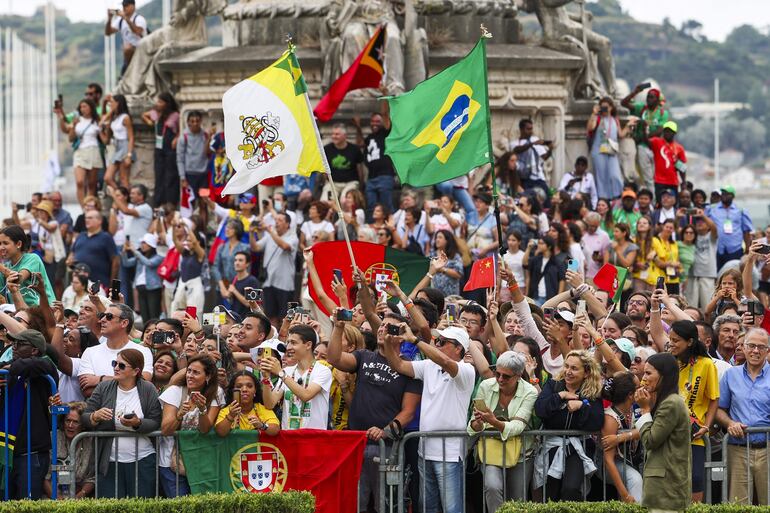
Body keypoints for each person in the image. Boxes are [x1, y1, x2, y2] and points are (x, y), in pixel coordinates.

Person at [327, 311, 420, 512]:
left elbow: (408, 412)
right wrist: (338, 327)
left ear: (401, 336)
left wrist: (385, 430)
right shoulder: (363, 356)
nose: (383, 329)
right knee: (355, 504)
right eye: (382, 325)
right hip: (356, 443)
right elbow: (334, 358)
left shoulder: (411, 369)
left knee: (384, 506)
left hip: (385, 447)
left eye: (390, 327)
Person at [383, 326, 475, 513]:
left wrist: (415, 340)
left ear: (459, 348)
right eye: (437, 341)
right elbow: (399, 366)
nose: (438, 344)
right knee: (427, 507)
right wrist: (387, 344)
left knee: (452, 509)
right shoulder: (429, 366)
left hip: (449, 454)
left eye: (443, 342)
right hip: (424, 451)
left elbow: (445, 361)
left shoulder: (467, 370)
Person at [81, 348, 161, 498]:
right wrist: (95, 416)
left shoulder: (148, 389)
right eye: (114, 363)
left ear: (136, 371)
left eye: (122, 365)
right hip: (109, 460)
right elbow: (84, 417)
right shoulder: (104, 387)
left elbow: (156, 421)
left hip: (142, 459)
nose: (116, 368)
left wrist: (137, 423)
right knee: (111, 506)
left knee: (142, 506)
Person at [468, 351, 537, 507]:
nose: (500, 379)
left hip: (521, 453)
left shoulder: (530, 392)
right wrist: (478, 424)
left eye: (506, 376)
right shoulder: (486, 385)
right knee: (492, 487)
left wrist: (493, 421)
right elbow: (474, 424)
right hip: (491, 449)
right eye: (497, 373)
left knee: (517, 499)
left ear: (519, 375)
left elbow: (518, 426)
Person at [533, 350, 603, 500]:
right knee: (550, 493)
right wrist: (560, 396)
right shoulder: (553, 385)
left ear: (586, 373)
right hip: (551, 444)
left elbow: (598, 420)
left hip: (577, 447)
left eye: (574, 368)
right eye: (566, 366)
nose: (568, 372)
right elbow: (540, 409)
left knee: (570, 489)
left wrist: (582, 406)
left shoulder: (592, 391)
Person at [662, 319, 719, 502]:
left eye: (676, 340)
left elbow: (713, 399)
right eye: (670, 339)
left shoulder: (706, 364)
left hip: (695, 433)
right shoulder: (669, 363)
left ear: (690, 342)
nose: (671, 344)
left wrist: (706, 427)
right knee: (670, 480)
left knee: (695, 479)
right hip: (669, 432)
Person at [716, 328, 770, 505]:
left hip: (768, 448)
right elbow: (719, 410)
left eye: (761, 347)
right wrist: (730, 423)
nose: (756, 351)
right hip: (738, 448)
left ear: (768, 351)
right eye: (751, 346)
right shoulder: (730, 375)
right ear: (744, 348)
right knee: (738, 504)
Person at [2, 329, 58, 499]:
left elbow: (43, 365)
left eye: (19, 344)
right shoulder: (7, 370)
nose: (14, 347)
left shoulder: (44, 370)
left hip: (30, 453)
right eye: (13, 343)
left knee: (27, 504)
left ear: (34, 350)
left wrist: (12, 368)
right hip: (6, 449)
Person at [635, 352, 691, 512]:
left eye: (648, 373)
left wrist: (645, 410)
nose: (643, 378)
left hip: (667, 488)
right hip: (663, 488)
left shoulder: (671, 403)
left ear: (664, 375)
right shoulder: (666, 401)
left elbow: (650, 440)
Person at [158, 355, 221, 496]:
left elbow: (205, 429)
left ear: (208, 376)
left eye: (196, 372)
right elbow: (166, 429)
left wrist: (202, 409)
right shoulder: (174, 391)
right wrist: (180, 414)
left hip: (201, 462)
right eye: (189, 371)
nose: (190, 376)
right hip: (171, 462)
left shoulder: (217, 393)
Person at [261, 325, 332, 430]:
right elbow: (270, 404)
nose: (288, 347)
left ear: (308, 345)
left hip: (314, 439)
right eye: (288, 342)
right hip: (289, 438)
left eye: (293, 343)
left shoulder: (323, 371)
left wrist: (280, 373)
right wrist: (266, 379)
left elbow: (306, 395)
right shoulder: (288, 371)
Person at [78, 303, 154, 398]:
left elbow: (143, 383)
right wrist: (127, 382)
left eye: (109, 317)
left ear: (124, 323)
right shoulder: (90, 352)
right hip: (99, 411)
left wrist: (100, 379)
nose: (102, 320)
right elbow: (87, 391)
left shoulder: (143, 351)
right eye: (102, 316)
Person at [599, 371, 643, 503]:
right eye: (637, 388)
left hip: (628, 460)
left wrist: (622, 437)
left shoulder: (634, 409)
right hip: (608, 464)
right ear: (630, 395)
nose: (641, 389)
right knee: (635, 479)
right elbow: (608, 461)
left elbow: (648, 428)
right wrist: (625, 495)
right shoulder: (611, 418)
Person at [250, 212, 299, 325]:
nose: (277, 222)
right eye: (276, 220)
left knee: (285, 318)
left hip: (285, 284)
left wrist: (269, 231)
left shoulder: (292, 237)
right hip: (269, 282)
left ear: (288, 224)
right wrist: (251, 234)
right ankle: (273, 341)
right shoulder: (269, 236)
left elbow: (285, 246)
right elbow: (255, 247)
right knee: (270, 317)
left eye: (280, 220)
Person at [621, 85, 670, 191]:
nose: (649, 99)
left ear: (657, 100)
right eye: (648, 96)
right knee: (648, 178)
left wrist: (644, 135)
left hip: (656, 147)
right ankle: (652, 200)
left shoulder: (663, 113)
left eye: (652, 97)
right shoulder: (641, 108)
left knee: (657, 176)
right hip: (643, 147)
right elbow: (623, 103)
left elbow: (660, 130)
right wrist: (635, 92)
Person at [43, 401, 95, 499]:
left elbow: (93, 477)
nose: (70, 425)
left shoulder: (90, 440)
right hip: (53, 495)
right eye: (68, 420)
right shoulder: (53, 437)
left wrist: (80, 496)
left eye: (75, 422)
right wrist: (56, 497)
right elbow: (43, 476)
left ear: (83, 425)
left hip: (80, 496)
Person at [353, 109, 395, 218]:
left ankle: (389, 228)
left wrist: (385, 96)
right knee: (371, 207)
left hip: (385, 176)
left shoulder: (386, 134)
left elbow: (386, 115)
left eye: (377, 121)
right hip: (371, 178)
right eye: (372, 121)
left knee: (386, 206)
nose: (374, 124)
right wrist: (358, 126)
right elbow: (360, 143)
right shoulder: (370, 138)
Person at [0, 225, 56, 306]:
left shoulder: (33, 258)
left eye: (5, 243)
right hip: (19, 314)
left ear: (19, 244)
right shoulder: (5, 266)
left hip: (44, 312)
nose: (1, 247)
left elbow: (17, 279)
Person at [141, 92, 180, 206]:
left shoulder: (175, 115)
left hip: (169, 146)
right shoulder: (156, 114)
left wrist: (176, 138)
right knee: (159, 174)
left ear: (167, 103)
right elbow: (144, 115)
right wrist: (149, 122)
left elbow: (180, 129)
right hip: (159, 147)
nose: (158, 104)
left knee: (170, 174)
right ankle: (159, 200)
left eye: (160, 102)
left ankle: (170, 200)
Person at [215, 370, 280, 436]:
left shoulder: (262, 408)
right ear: (233, 391)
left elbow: (275, 430)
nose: (244, 389)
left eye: (249, 386)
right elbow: (220, 432)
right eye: (239, 386)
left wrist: (261, 425)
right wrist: (231, 416)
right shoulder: (227, 410)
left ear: (255, 390)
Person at [68, 210, 118, 294]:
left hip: (99, 284)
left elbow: (115, 261)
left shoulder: (106, 238)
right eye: (86, 218)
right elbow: (72, 254)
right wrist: (69, 261)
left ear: (99, 221)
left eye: (90, 218)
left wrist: (112, 283)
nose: (87, 220)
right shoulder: (80, 236)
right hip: (79, 284)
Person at [706, 186, 754, 271]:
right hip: (717, 249)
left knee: (734, 275)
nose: (724, 196)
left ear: (733, 196)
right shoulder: (712, 209)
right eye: (723, 193)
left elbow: (746, 231)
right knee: (718, 276)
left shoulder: (740, 210)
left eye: (727, 194)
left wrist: (747, 249)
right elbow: (705, 226)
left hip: (735, 249)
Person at [587, 97, 624, 200]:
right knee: (601, 177)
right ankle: (603, 199)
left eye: (606, 107)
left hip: (611, 151)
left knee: (615, 175)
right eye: (602, 107)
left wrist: (629, 126)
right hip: (599, 150)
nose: (604, 109)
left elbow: (620, 134)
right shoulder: (598, 118)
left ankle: (617, 196)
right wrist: (594, 114)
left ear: (611, 108)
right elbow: (590, 128)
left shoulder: (615, 120)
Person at [121, 233, 164, 321]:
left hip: (153, 289)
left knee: (153, 315)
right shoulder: (139, 257)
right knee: (145, 316)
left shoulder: (158, 257)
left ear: (151, 245)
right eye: (142, 243)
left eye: (145, 243)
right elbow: (127, 263)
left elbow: (149, 263)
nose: (142, 245)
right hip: (141, 288)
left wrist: (135, 252)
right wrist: (124, 252)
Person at [511, 118, 553, 200]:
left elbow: (544, 157)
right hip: (525, 178)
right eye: (528, 129)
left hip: (539, 177)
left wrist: (550, 149)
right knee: (528, 200)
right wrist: (532, 144)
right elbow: (517, 150)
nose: (530, 131)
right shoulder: (514, 143)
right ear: (521, 129)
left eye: (531, 129)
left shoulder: (535, 139)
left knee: (547, 199)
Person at [647, 121, 687, 204]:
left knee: (672, 205)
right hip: (659, 181)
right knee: (659, 204)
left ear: (674, 133)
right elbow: (646, 140)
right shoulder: (656, 142)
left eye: (670, 131)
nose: (667, 133)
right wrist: (655, 131)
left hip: (673, 182)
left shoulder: (679, 148)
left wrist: (683, 181)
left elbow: (682, 167)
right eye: (666, 130)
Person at [100, 94, 134, 189]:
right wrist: (107, 105)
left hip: (124, 146)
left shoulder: (125, 117)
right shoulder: (114, 117)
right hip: (116, 146)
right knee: (108, 178)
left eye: (112, 102)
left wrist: (129, 155)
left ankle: (125, 201)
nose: (110, 104)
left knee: (124, 179)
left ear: (118, 103)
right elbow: (102, 121)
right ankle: (121, 195)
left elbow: (131, 137)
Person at [323, 123, 364, 201]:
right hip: (333, 183)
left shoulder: (355, 149)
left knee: (345, 200)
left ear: (345, 136)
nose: (334, 136)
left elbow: (360, 170)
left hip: (350, 183)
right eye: (333, 134)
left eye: (337, 134)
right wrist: (326, 181)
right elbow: (324, 169)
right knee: (326, 201)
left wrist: (361, 186)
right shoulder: (327, 149)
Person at [105, 0, 148, 74]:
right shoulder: (120, 21)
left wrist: (126, 18)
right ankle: (127, 70)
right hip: (128, 55)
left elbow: (138, 31)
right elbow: (108, 33)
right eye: (123, 6)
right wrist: (109, 19)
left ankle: (129, 69)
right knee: (127, 48)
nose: (124, 8)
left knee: (127, 48)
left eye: (126, 5)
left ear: (133, 6)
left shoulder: (139, 19)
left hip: (140, 51)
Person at [177, 110, 212, 199]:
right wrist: (182, 178)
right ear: (188, 122)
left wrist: (209, 139)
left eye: (197, 121)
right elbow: (180, 159)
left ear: (200, 122)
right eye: (192, 121)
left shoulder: (205, 136)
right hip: (189, 175)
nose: (195, 124)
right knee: (189, 203)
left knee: (204, 202)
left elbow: (208, 153)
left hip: (203, 175)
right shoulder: (183, 137)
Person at [212, 219, 249, 302]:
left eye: (230, 228)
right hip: (222, 287)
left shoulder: (245, 247)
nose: (227, 229)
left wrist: (233, 288)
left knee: (235, 314)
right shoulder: (221, 247)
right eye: (226, 227)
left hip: (238, 288)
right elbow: (215, 267)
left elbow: (246, 270)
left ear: (237, 230)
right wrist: (222, 287)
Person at [428, 231, 463, 297]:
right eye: (436, 238)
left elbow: (459, 274)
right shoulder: (432, 254)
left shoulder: (455, 256)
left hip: (451, 296)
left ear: (447, 240)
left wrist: (442, 269)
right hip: (435, 295)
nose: (437, 240)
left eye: (440, 237)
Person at [652, 219, 681, 295]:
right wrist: (671, 264)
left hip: (674, 278)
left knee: (674, 302)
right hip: (661, 277)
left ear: (674, 230)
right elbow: (657, 262)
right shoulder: (655, 240)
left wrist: (678, 266)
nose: (668, 229)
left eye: (671, 228)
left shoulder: (674, 243)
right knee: (662, 302)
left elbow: (677, 259)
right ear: (662, 227)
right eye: (667, 227)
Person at [581, 211, 610, 280]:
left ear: (599, 224)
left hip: (595, 275)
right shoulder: (582, 233)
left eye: (595, 226)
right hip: (580, 274)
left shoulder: (604, 236)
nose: (592, 228)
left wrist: (599, 258)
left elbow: (606, 259)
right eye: (590, 225)